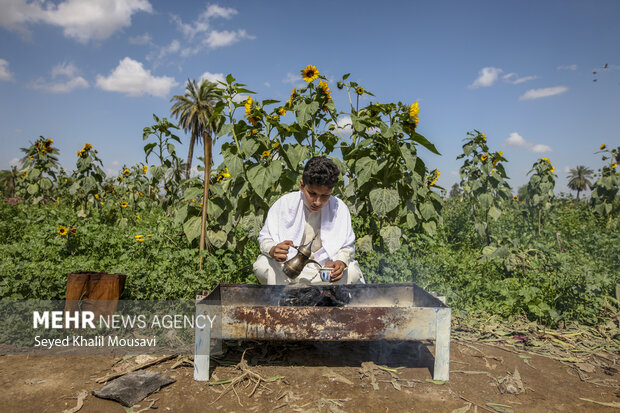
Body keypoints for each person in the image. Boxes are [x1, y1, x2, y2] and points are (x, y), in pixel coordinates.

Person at [253, 157, 364, 285]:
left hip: (324, 273)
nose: (317, 202)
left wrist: (341, 262)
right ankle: (283, 298)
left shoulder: (339, 208)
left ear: (331, 191)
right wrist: (273, 250)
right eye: (312, 193)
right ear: (302, 186)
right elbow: (265, 238)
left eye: (325, 196)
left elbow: (347, 247)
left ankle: (327, 297)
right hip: (288, 271)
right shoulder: (284, 204)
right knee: (263, 265)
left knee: (352, 272)